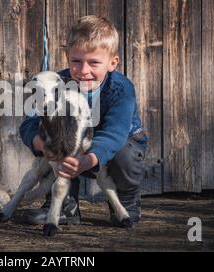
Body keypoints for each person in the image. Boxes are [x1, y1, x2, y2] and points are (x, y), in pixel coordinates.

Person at [19, 15, 148, 229]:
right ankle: (64, 204)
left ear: (112, 63)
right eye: (76, 61)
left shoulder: (121, 89)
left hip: (115, 147)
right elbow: (30, 121)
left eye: (94, 62)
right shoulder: (55, 83)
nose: (84, 70)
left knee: (126, 153)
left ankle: (126, 199)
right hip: (72, 147)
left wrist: (88, 160)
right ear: (67, 57)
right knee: (52, 138)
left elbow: (114, 134)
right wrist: (41, 144)